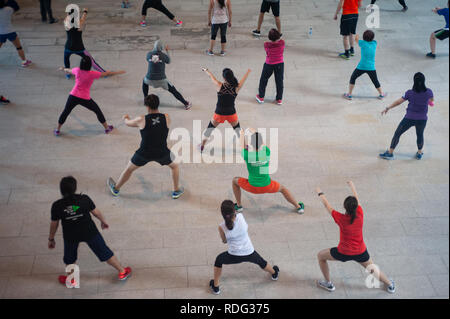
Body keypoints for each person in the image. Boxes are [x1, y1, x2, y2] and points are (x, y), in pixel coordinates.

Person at [49, 176, 132, 286]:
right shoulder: (84, 199)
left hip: (70, 235)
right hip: (89, 232)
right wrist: (103, 221)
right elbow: (96, 212)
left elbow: (54, 224)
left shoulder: (57, 206)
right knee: (103, 251)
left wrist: (51, 238)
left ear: (61, 190)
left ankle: (72, 279)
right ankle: (122, 271)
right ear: (75, 188)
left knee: (69, 258)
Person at [315, 181, 395, 294]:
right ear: (356, 207)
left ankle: (328, 283)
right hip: (360, 252)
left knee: (320, 256)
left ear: (344, 207)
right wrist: (353, 186)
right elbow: (357, 199)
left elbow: (327, 205)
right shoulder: (360, 214)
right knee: (372, 269)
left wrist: (320, 193)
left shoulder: (341, 218)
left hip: (343, 252)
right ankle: (390, 285)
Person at [107, 94, 185, 200]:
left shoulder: (141, 119)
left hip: (144, 153)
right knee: (175, 166)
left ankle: (116, 189)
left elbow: (128, 123)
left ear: (147, 106)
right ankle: (176, 191)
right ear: (158, 104)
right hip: (162, 152)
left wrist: (126, 118)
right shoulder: (166, 117)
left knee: (129, 169)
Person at [209, 200, 280, 295]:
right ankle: (274, 273)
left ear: (222, 213)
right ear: (234, 211)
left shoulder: (221, 227)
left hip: (233, 255)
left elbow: (224, 241)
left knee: (219, 260)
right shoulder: (241, 217)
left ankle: (216, 286)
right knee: (261, 262)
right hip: (249, 251)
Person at [232, 128, 305, 214]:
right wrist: (255, 132)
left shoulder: (248, 156)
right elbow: (262, 144)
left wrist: (242, 134)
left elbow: (242, 146)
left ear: (251, 144)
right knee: (283, 189)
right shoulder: (266, 152)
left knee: (235, 180)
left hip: (251, 186)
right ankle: (299, 207)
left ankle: (239, 206)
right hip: (267, 185)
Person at [55, 57, 125, 136]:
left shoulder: (77, 70)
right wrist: (117, 72)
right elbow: (106, 74)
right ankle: (107, 128)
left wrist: (63, 68)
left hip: (73, 96)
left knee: (65, 112)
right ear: (89, 65)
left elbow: (68, 70)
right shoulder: (92, 74)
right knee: (97, 111)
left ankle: (57, 130)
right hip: (85, 98)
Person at [379, 72, 434, 160]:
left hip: (409, 118)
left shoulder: (409, 93)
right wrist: (426, 101)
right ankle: (419, 153)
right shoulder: (429, 92)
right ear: (424, 81)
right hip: (422, 119)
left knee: (397, 134)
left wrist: (388, 108)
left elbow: (398, 102)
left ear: (414, 82)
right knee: (420, 135)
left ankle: (390, 153)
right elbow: (431, 101)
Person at [199, 68, 250, 152]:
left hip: (219, 113)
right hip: (231, 113)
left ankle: (202, 146)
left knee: (209, 129)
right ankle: (245, 147)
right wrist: (248, 72)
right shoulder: (236, 87)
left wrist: (206, 70)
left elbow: (211, 77)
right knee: (238, 130)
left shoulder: (219, 85)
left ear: (224, 78)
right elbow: (243, 80)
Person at [143, 40, 191, 110]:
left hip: (149, 79)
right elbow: (169, 61)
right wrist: (167, 51)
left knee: (144, 81)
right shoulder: (163, 56)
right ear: (161, 47)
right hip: (161, 80)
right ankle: (186, 104)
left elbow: (148, 60)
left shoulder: (149, 54)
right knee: (173, 91)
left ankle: (145, 99)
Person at [64, 7, 106, 80]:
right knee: (92, 61)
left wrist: (69, 14)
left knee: (66, 60)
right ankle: (103, 73)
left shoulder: (66, 23)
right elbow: (83, 17)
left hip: (68, 48)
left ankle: (67, 74)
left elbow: (68, 17)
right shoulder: (79, 24)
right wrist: (85, 11)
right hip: (79, 48)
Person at [343, 30, 387, 100]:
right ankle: (381, 94)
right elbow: (371, 40)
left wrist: (356, 35)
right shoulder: (374, 43)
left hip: (361, 66)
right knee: (375, 81)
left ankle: (349, 94)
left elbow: (356, 39)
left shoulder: (362, 43)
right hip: (371, 68)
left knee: (353, 78)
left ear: (364, 37)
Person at [256, 28, 285, 105]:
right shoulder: (282, 43)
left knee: (263, 79)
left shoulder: (266, 45)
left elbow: (267, 52)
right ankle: (279, 99)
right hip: (280, 64)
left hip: (269, 64)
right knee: (279, 81)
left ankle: (261, 97)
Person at [0, 0, 32, 67]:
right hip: (10, 31)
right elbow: (16, 6)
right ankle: (24, 62)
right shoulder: (9, 9)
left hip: (1, 33)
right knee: (19, 47)